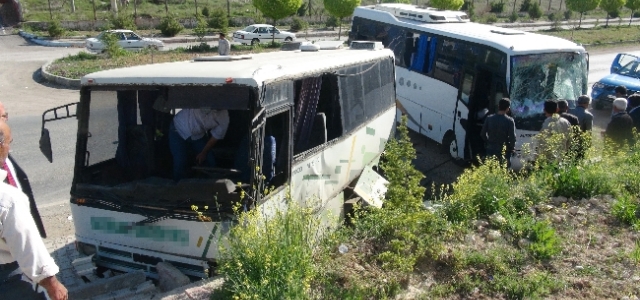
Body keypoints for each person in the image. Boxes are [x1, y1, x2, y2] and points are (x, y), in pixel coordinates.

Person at [0, 122, 68, 300]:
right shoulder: (7, 198)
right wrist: (52, 284)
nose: (10, 148)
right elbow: (27, 247)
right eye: (9, 143)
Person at [0, 102, 46, 237]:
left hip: (24, 228)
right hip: (11, 239)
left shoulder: (5, 155)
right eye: (3, 116)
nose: (6, 119)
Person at [169, 108, 229, 181]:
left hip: (198, 135)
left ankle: (208, 186)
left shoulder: (224, 117)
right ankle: (177, 187)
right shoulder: (200, 99)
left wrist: (204, 152)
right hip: (178, 129)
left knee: (210, 161)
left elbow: (216, 136)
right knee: (180, 161)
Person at [480, 98, 516, 167]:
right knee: (503, 171)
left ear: (498, 106)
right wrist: (512, 148)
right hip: (504, 150)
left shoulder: (489, 118)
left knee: (490, 170)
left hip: (490, 148)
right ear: (508, 108)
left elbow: (482, 134)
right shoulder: (510, 121)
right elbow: (512, 138)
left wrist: (488, 141)